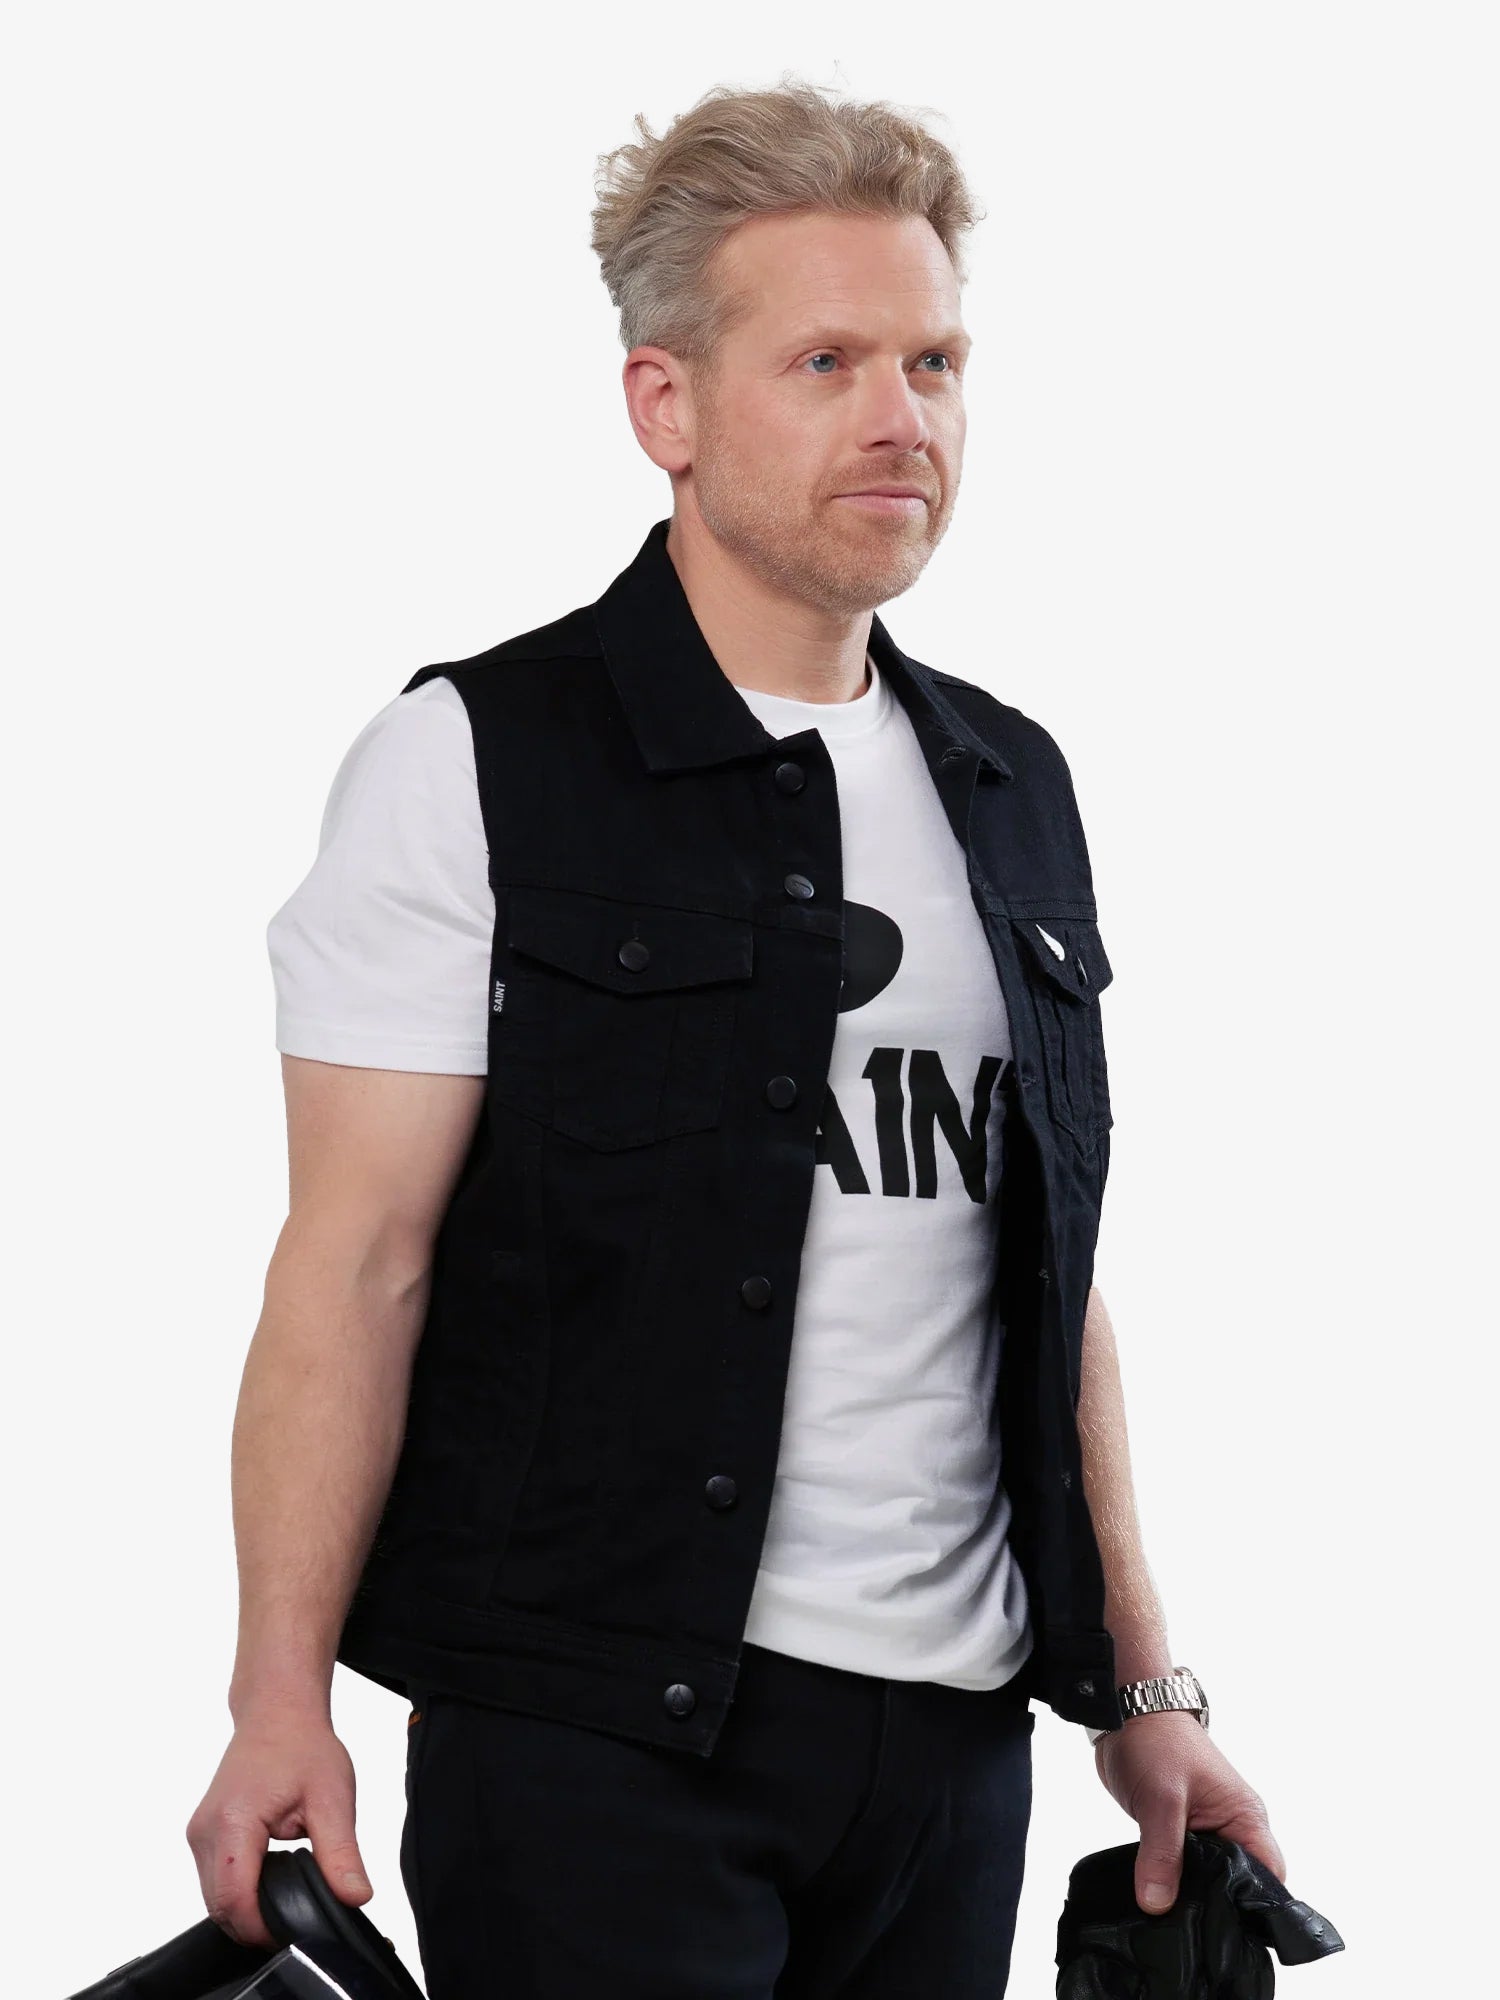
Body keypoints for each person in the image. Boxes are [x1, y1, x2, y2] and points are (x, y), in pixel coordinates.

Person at [185, 77, 1285, 2000]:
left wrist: (1144, 1693)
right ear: (665, 405)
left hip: (952, 1755)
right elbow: (357, 1261)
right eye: (828, 361)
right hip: (598, 1736)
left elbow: (1049, 1270)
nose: (902, 417)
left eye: (936, 361)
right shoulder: (474, 761)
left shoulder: (1011, 782)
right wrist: (279, 1696)